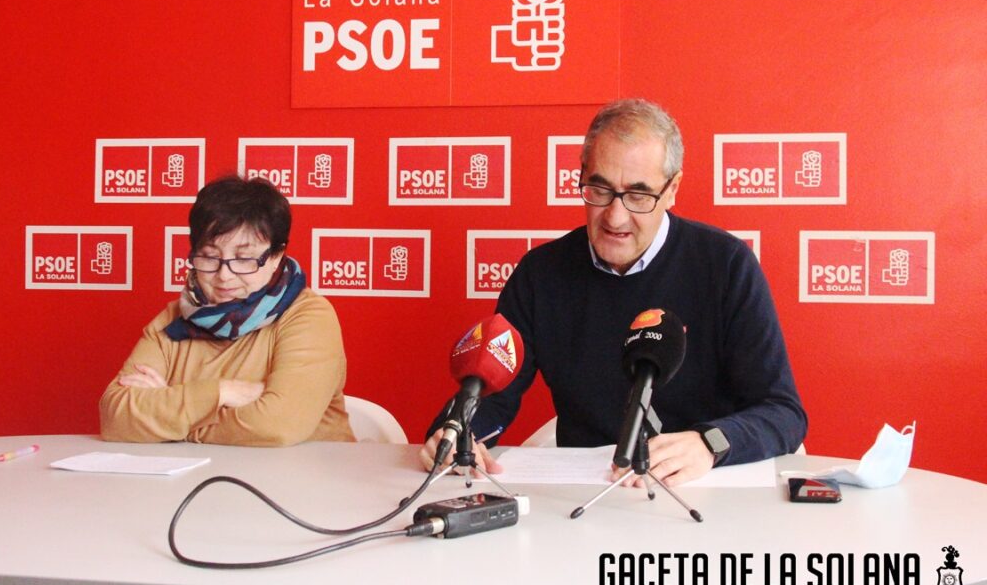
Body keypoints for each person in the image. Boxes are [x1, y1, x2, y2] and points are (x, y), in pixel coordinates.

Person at [420, 98, 806, 486]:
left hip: (701, 491)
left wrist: (709, 443)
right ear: (581, 176)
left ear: (672, 189)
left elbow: (783, 413)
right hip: (586, 496)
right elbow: (492, 393)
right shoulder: (541, 274)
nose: (615, 217)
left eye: (638, 196)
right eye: (600, 189)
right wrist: (456, 433)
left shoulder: (726, 265)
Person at [100, 175, 354, 446]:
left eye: (244, 259)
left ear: (276, 256)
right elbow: (115, 417)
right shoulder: (173, 320)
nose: (224, 275)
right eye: (210, 256)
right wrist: (223, 392)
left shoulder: (308, 316)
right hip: (198, 471)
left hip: (306, 470)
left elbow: (278, 425)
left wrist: (172, 420)